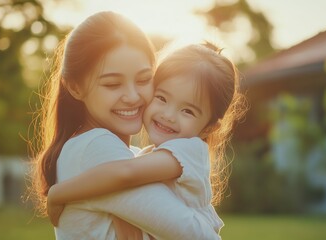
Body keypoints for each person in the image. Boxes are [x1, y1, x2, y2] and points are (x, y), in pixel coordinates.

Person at [29, 11, 224, 240]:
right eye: (112, 84)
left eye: (143, 79)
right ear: (75, 87)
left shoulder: (131, 155)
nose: (132, 96)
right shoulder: (96, 148)